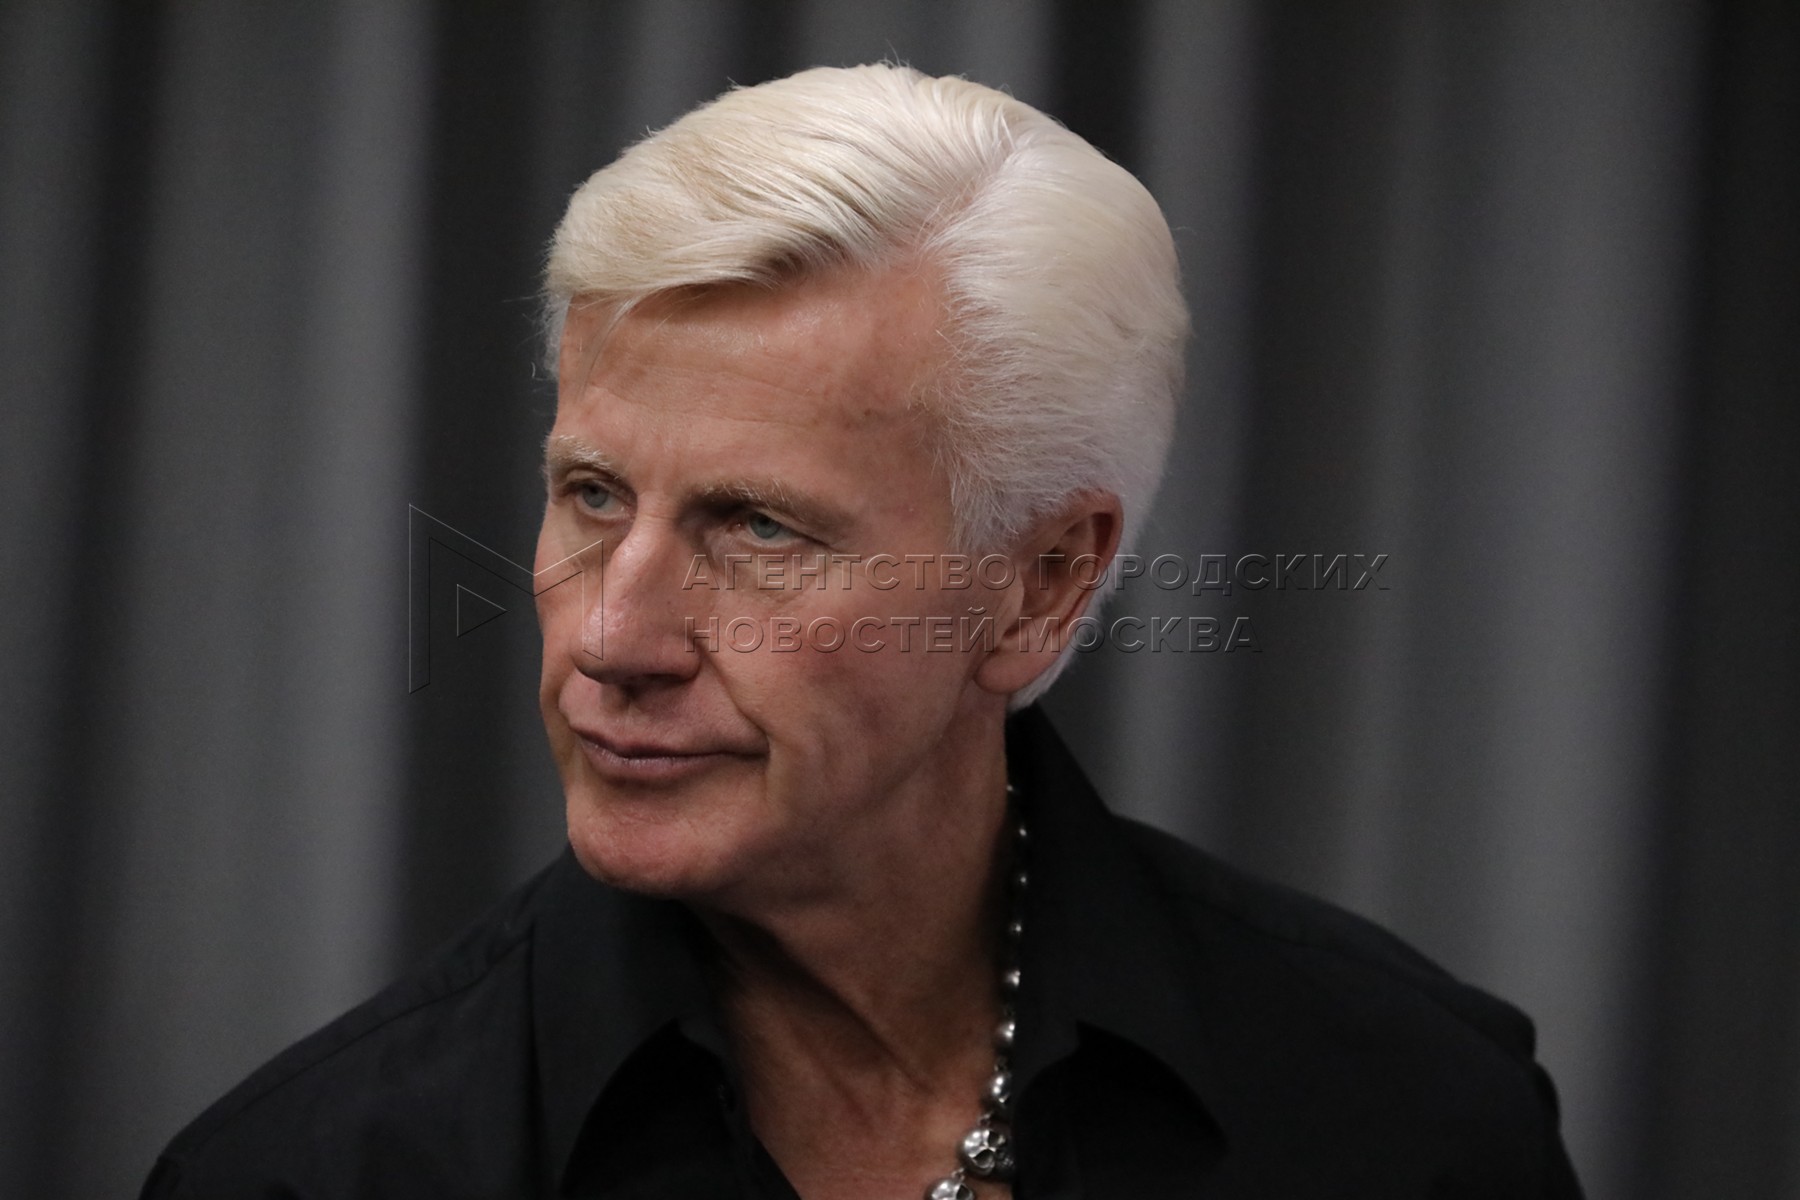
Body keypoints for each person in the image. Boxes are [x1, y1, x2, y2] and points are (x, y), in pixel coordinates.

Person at [140, 64, 1583, 1199]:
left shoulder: (1408, 1115)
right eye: (591, 494)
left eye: (759, 528)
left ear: (1039, 586)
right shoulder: (312, 1172)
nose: (613, 638)